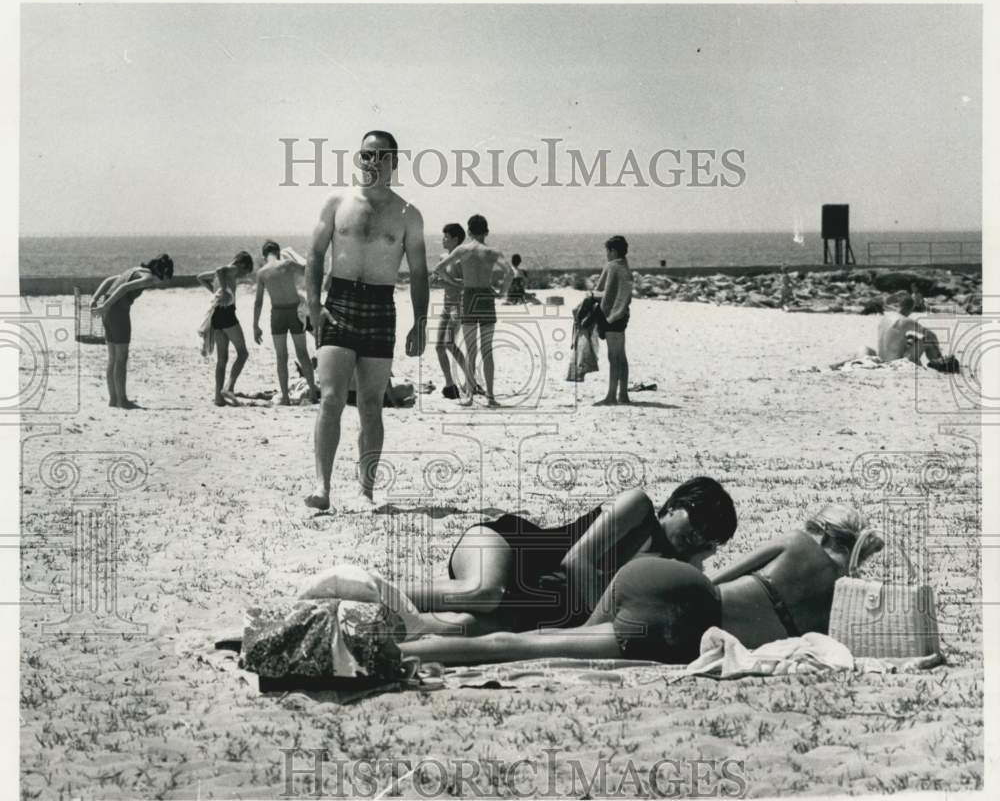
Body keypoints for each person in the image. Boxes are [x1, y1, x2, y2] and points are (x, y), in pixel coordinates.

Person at [400, 503, 883, 665]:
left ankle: (414, 639)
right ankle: (406, 655)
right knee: (531, 648)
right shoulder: (843, 602)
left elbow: (718, 579)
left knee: (537, 639)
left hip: (676, 589)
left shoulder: (795, 543)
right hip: (681, 621)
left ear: (821, 529)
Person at [402, 477, 738, 636]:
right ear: (675, 505)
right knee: (484, 592)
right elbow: (577, 560)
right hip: (511, 547)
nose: (697, 534)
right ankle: (370, 591)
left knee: (465, 628)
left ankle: (372, 621)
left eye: (709, 537)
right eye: (697, 520)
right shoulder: (639, 507)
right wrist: (598, 627)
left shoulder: (669, 565)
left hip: (532, 602)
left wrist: (696, 559)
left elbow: (700, 604)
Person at [305, 130, 429, 511]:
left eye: (379, 156)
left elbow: (420, 272)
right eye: (365, 156)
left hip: (380, 307)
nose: (370, 163)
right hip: (338, 303)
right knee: (330, 399)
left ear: (393, 161)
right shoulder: (337, 201)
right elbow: (314, 254)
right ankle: (322, 487)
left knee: (372, 403)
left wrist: (420, 322)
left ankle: (365, 491)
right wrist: (313, 305)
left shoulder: (408, 214)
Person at [432, 214, 514, 406]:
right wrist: (501, 292)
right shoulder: (492, 252)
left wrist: (453, 281)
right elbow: (509, 272)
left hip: (468, 296)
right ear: (486, 232)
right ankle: (491, 397)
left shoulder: (463, 250)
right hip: (485, 297)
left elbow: (439, 268)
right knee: (488, 350)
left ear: (468, 231)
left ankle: (469, 396)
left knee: (471, 350)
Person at [90, 254, 174, 408]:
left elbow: (110, 280)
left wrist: (95, 298)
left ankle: (113, 399)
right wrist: (106, 306)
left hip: (109, 312)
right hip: (117, 311)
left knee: (112, 358)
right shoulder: (148, 278)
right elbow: (124, 288)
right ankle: (123, 400)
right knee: (121, 358)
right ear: (163, 273)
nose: (161, 284)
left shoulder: (135, 269)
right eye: (165, 280)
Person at [253, 240, 319, 406]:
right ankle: (312, 394)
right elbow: (308, 270)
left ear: (263, 255)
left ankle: (285, 397)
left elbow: (258, 302)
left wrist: (255, 325)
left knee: (281, 357)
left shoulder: (261, 273)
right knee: (302, 353)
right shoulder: (288, 264)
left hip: (277, 314)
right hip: (294, 311)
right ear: (279, 252)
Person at [197, 251, 255, 406]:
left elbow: (200, 277)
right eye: (245, 271)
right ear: (242, 264)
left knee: (222, 359)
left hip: (216, 315)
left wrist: (217, 292)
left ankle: (218, 398)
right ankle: (228, 388)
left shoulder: (226, 273)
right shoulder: (231, 269)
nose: (242, 275)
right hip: (227, 314)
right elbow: (220, 270)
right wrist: (223, 291)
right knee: (243, 353)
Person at [591, 236, 633, 406]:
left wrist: (591, 296)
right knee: (621, 355)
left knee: (613, 356)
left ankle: (611, 396)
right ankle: (623, 394)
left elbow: (604, 293)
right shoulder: (625, 266)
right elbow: (623, 292)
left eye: (607, 251)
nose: (606, 255)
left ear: (613, 251)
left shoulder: (612, 266)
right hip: (623, 314)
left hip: (612, 316)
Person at [433, 224, 474, 400]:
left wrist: (446, 281)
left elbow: (467, 283)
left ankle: (470, 379)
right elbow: (434, 280)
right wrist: (439, 281)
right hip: (446, 305)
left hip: (458, 306)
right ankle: (450, 385)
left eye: (446, 237)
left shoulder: (462, 258)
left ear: (455, 239)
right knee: (439, 347)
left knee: (448, 344)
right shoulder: (443, 257)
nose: (443, 239)